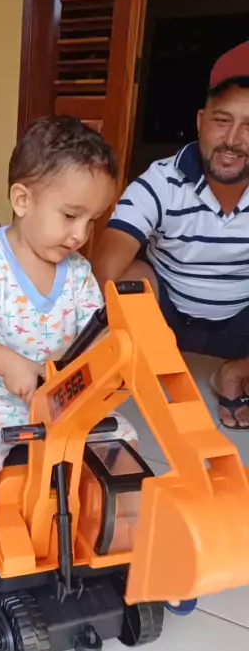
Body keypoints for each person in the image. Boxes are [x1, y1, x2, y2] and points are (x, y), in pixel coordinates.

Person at [0, 116, 137, 651]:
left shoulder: (79, 276)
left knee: (123, 445)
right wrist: (7, 364)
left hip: (61, 400)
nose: (80, 235)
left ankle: (133, 553)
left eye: (92, 221)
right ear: (22, 200)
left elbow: (93, 340)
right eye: (70, 216)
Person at [92, 40, 249, 431]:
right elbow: (106, 265)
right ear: (200, 121)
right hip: (168, 318)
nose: (233, 140)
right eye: (222, 120)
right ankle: (145, 365)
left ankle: (235, 372)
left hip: (239, 323)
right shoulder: (160, 181)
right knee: (126, 277)